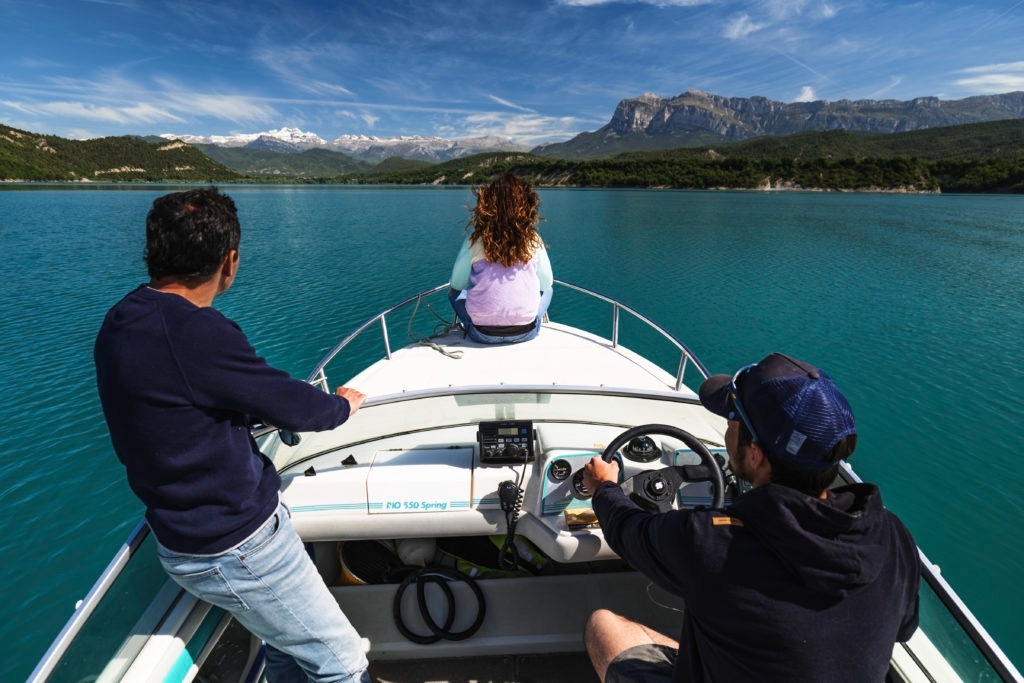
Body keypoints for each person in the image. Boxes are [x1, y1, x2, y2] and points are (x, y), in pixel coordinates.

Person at [93, 187, 370, 683]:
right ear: (231, 261)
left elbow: (180, 404)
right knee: (342, 661)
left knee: (287, 647)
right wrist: (342, 406)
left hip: (182, 535)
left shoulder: (122, 318)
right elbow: (295, 404)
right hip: (237, 545)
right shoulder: (198, 332)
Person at [582, 352, 921, 682]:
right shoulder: (892, 536)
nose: (728, 430)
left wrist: (604, 488)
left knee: (603, 627)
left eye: (732, 421)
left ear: (756, 454)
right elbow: (905, 627)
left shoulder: (712, 544)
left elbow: (628, 530)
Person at [448, 172, 553, 344]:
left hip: (482, 333)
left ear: (487, 205)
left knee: (454, 294)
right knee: (548, 290)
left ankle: (470, 325)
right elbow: (546, 284)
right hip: (526, 332)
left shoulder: (475, 240)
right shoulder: (533, 240)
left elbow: (457, 285)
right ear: (525, 205)